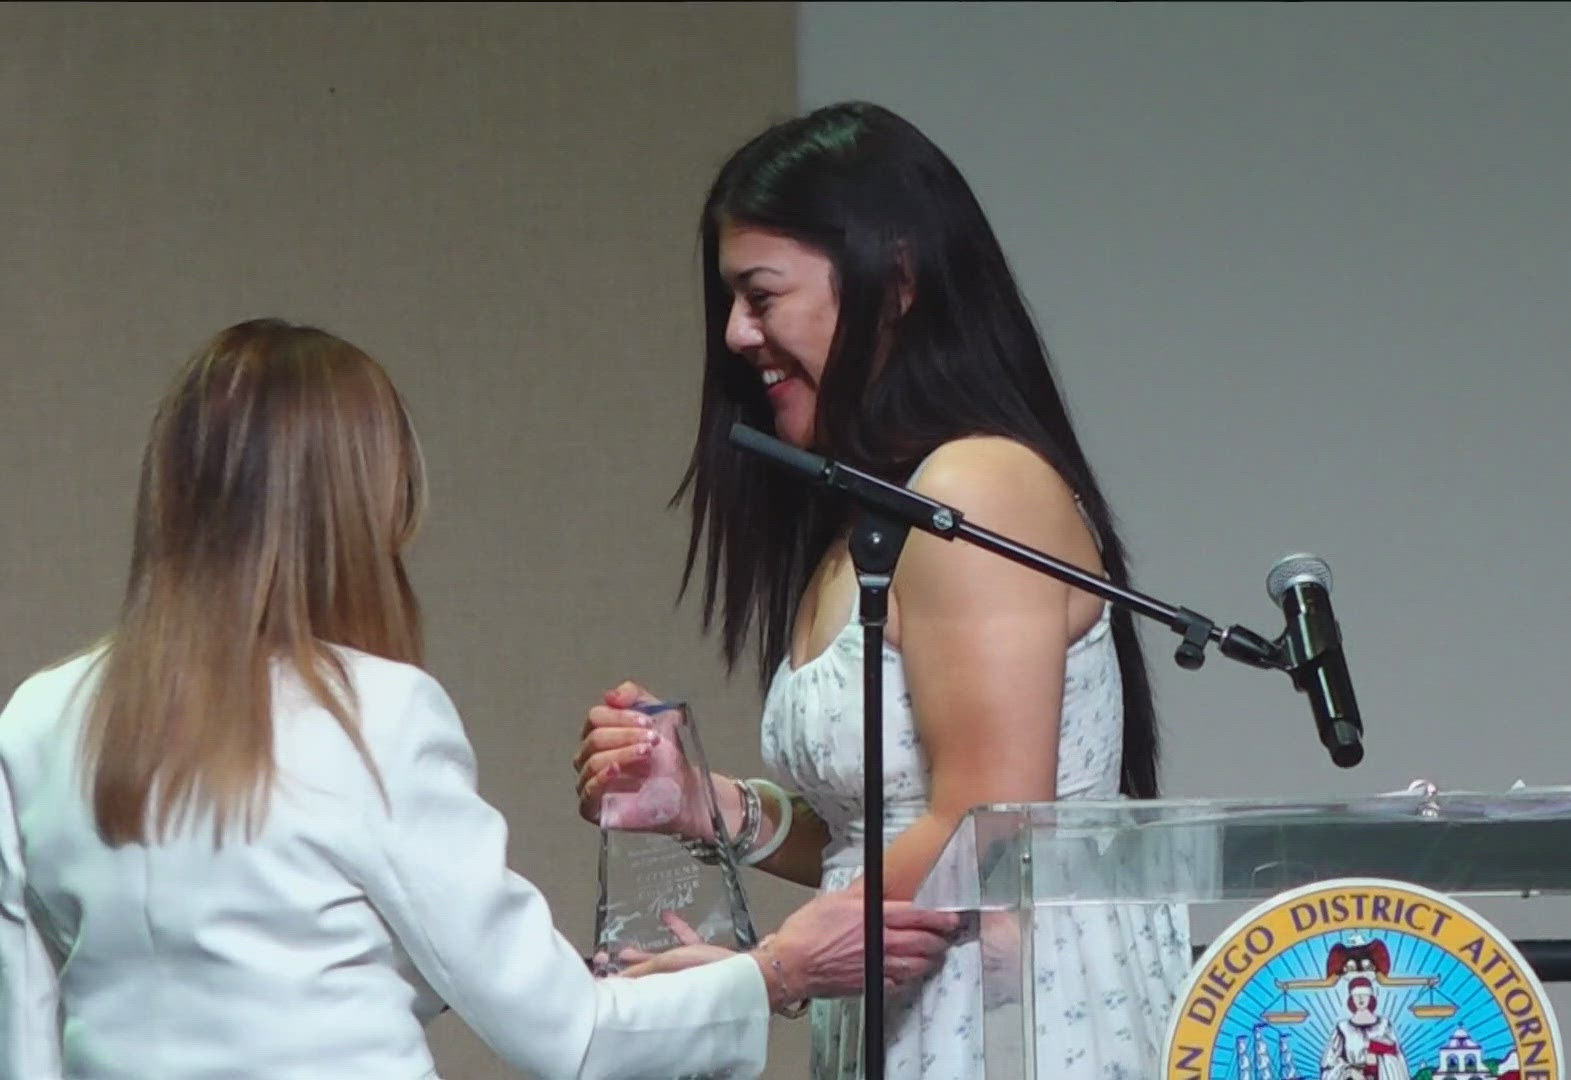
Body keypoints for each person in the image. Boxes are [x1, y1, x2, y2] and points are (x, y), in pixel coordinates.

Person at [0, 319, 955, 1079]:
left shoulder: (35, 721)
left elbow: (27, 1035)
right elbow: (569, 1036)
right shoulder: (375, 715)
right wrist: (779, 969)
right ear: (363, 504)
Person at [573, 102, 1190, 1079]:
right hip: (914, 1005)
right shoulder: (867, 516)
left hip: (1013, 1018)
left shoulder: (977, 486)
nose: (736, 334)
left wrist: (765, 971)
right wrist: (707, 803)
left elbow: (984, 825)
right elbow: (874, 829)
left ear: (895, 281)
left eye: (761, 295)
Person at [1319, 978, 1410, 1080]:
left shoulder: (1384, 1025)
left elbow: (1398, 1058)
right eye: (1356, 995)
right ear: (1351, 998)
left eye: (1364, 994)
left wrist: (1378, 1060)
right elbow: (1330, 1063)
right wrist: (1349, 1071)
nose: (1361, 998)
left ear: (1370, 997)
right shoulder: (1343, 1028)